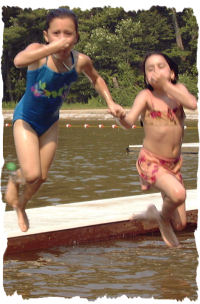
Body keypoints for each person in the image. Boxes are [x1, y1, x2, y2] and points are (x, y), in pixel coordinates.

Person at [5, 8, 125, 232]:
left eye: (68, 34)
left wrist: (110, 102)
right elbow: (18, 61)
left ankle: (21, 205)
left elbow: (96, 79)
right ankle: (13, 177)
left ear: (76, 36)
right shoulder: (38, 52)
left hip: (50, 122)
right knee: (31, 173)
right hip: (26, 119)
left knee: (41, 177)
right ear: (46, 35)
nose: (62, 39)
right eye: (56, 33)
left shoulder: (80, 61)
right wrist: (51, 48)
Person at [115, 52, 197, 248]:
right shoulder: (146, 96)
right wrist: (120, 116)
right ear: (146, 77)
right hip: (151, 161)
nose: (155, 72)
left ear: (172, 73)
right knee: (178, 194)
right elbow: (129, 122)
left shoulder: (178, 91)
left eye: (161, 67)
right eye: (150, 69)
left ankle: (154, 214)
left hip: (173, 165)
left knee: (180, 224)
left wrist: (167, 85)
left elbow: (192, 104)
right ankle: (161, 219)